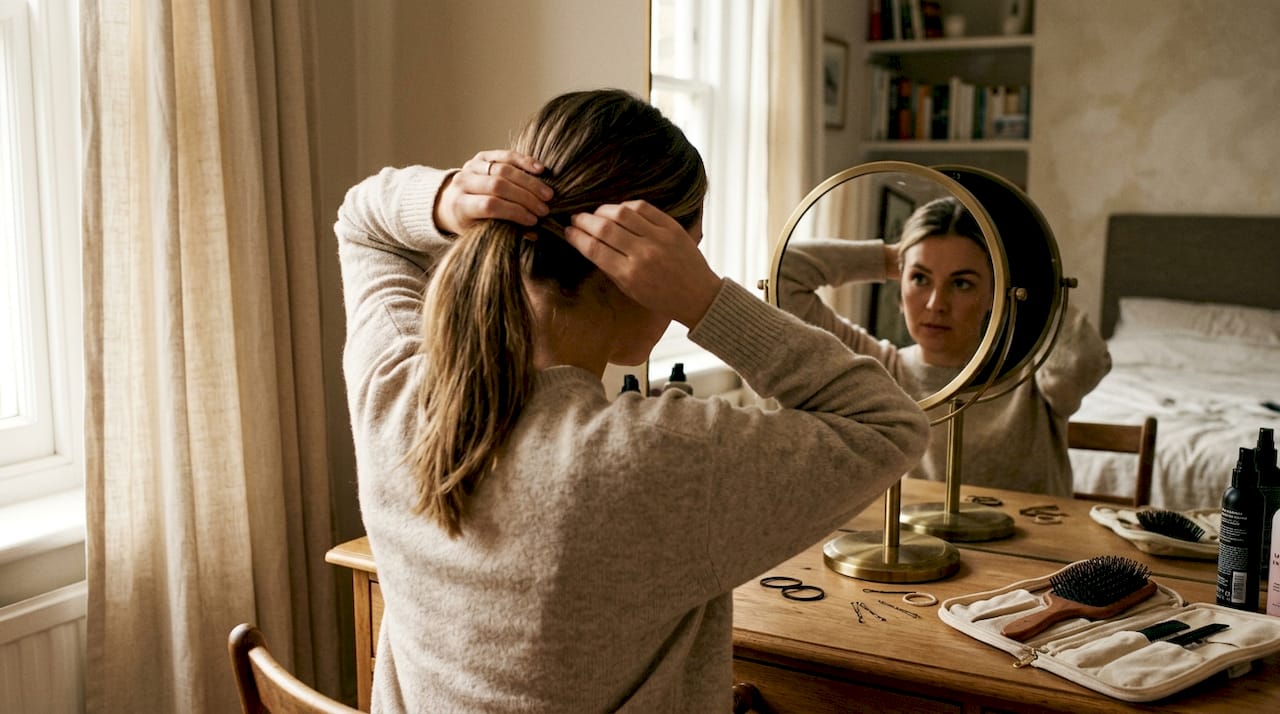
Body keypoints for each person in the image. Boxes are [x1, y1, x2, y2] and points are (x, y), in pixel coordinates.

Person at [335, 89, 929, 713]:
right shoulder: (654, 459)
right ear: (642, 266)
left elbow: (363, 224)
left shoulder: (395, 392)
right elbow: (888, 424)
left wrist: (448, 196)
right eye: (690, 251)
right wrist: (706, 300)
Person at [778, 196, 1111, 497]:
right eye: (920, 279)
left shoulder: (1032, 377)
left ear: (994, 294)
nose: (936, 304)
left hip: (1034, 546)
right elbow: (783, 276)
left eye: (961, 283)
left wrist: (1029, 281)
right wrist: (894, 258)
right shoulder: (875, 369)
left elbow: (1085, 362)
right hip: (909, 546)